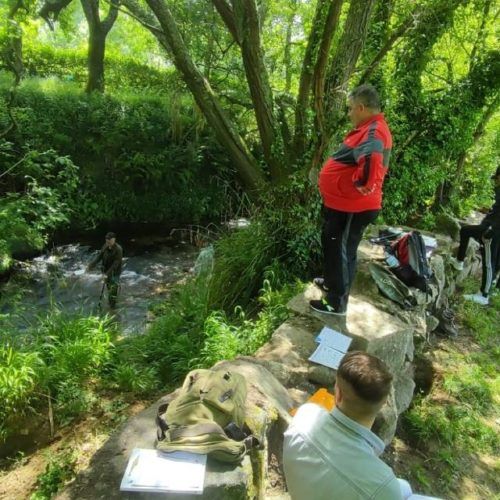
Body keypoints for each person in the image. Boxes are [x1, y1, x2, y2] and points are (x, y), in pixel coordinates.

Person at [283, 352, 439, 500]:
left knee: (404, 487)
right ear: (384, 403)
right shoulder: (383, 485)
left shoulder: (305, 414)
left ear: (338, 394)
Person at [310, 84, 392, 315]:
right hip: (344, 204)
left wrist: (360, 184)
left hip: (352, 206)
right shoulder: (369, 128)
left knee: (341, 248)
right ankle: (331, 283)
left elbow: (370, 166)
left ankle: (336, 301)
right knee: (335, 243)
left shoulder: (374, 132)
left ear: (361, 107)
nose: (348, 114)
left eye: (350, 109)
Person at [452, 166, 500, 305]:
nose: (496, 181)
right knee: (466, 231)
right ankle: (459, 262)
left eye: (497, 178)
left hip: (492, 231)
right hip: (488, 227)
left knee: (488, 262)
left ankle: (484, 295)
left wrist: (491, 229)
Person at [87, 232, 123, 308]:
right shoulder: (105, 246)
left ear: (114, 239)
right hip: (105, 271)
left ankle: (113, 308)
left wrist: (107, 274)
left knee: (112, 291)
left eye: (109, 240)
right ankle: (111, 306)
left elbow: (116, 264)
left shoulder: (118, 249)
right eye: (106, 240)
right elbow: (99, 257)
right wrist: (91, 265)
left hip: (114, 273)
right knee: (108, 288)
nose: (108, 241)